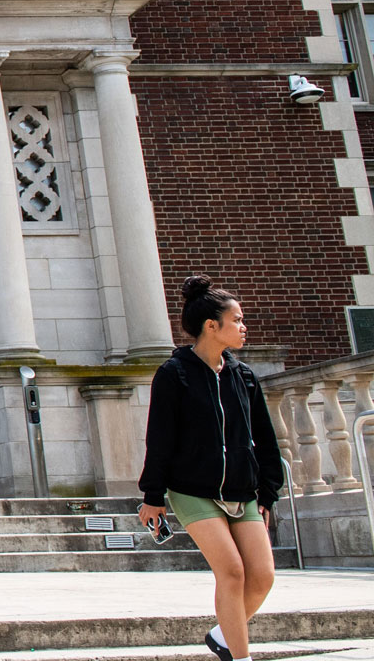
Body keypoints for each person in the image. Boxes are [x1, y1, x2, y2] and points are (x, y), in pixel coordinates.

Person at [138, 276, 283, 661]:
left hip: (242, 490)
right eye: (237, 319)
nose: (243, 326)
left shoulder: (244, 376)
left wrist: (268, 492)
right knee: (232, 573)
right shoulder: (175, 374)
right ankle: (241, 657)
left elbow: (265, 439)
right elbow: (160, 439)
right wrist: (153, 496)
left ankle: (222, 635)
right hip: (192, 489)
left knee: (263, 577)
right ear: (211, 326)